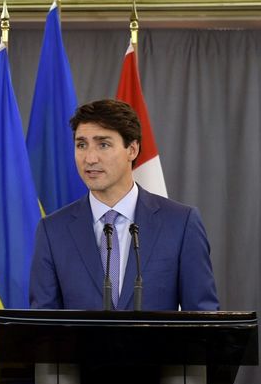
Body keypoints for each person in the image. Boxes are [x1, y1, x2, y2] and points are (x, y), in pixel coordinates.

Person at [29, 99, 219, 311]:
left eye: (103, 144)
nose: (90, 158)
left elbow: (203, 318)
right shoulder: (52, 230)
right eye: (81, 145)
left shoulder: (180, 223)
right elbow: (43, 322)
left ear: (132, 149)